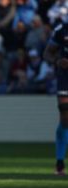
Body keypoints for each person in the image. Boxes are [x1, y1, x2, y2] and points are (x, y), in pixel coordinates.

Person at [43, 11, 68, 176]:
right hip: (65, 78)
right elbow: (47, 53)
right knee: (65, 119)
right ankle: (59, 163)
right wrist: (57, 61)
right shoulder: (62, 30)